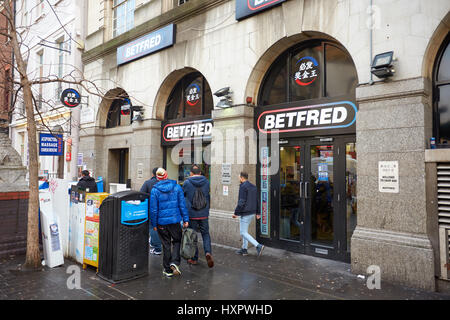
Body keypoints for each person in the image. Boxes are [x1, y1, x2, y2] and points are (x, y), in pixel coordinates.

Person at [150, 168, 189, 278]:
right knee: (177, 241)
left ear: (157, 178)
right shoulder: (177, 187)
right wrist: (185, 219)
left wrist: (154, 224)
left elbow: (153, 209)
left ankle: (167, 270)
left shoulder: (155, 190)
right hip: (175, 221)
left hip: (161, 223)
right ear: (166, 175)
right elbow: (182, 205)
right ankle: (175, 262)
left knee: (166, 244)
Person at [182, 165, 214, 268]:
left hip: (192, 214)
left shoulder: (187, 183)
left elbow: (183, 196)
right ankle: (208, 253)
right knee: (205, 234)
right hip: (204, 214)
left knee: (193, 236)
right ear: (200, 173)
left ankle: (194, 259)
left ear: (191, 173)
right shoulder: (206, 182)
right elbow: (208, 196)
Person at [233, 172, 264, 257]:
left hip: (245, 213)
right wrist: (258, 212)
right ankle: (244, 249)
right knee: (245, 231)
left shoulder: (243, 187)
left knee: (243, 232)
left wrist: (236, 213)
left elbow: (241, 201)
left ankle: (258, 246)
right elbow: (257, 200)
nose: (238, 179)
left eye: (239, 177)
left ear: (242, 178)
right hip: (252, 212)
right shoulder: (253, 187)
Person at [140, 167, 163, 255]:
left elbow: (141, 195)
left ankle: (157, 248)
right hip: (165, 209)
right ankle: (157, 243)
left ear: (153, 174)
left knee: (153, 228)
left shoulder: (148, 183)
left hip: (152, 209)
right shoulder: (167, 183)